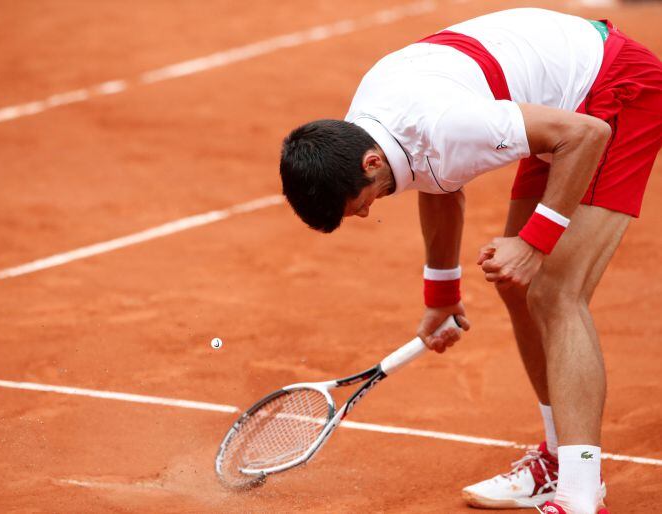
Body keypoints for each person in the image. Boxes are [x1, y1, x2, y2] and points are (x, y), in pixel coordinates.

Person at [278, 8, 662, 514]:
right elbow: (437, 184)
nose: (368, 210)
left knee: (553, 291)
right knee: (517, 284)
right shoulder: (364, 134)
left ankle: (581, 497)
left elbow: (586, 135)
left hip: (613, 88)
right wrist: (441, 295)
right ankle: (556, 464)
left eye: (360, 203)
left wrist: (534, 242)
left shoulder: (445, 124)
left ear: (371, 164)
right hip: (559, 102)